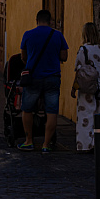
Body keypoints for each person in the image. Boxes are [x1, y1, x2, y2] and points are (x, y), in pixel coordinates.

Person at [19, 9, 68, 153]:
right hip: (52, 77)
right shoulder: (58, 35)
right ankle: (46, 144)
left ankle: (29, 141)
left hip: (33, 78)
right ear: (50, 21)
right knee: (52, 111)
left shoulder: (28, 34)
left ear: (37, 20)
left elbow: (23, 57)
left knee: (27, 109)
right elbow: (64, 57)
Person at [72, 22, 100, 152]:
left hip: (87, 88)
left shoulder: (83, 50)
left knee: (86, 115)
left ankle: (86, 145)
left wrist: (73, 88)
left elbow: (79, 72)